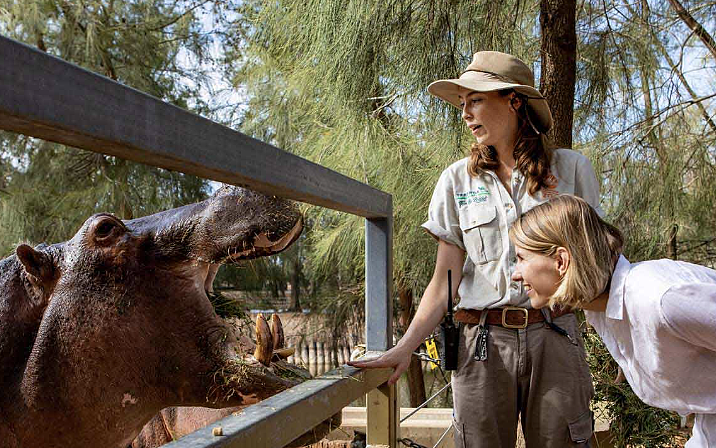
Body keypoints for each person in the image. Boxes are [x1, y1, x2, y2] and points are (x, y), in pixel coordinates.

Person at [349, 51, 601, 447]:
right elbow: (443, 281)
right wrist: (405, 347)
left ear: (514, 100)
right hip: (482, 343)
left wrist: (627, 340)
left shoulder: (570, 170)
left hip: (556, 335)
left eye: (476, 100)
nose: (465, 113)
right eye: (462, 103)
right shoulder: (456, 181)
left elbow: (596, 265)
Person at [509, 194, 716, 447]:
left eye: (521, 258)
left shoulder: (659, 300)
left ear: (561, 261)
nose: (515, 275)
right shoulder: (600, 310)